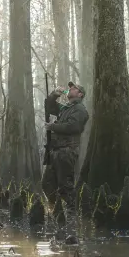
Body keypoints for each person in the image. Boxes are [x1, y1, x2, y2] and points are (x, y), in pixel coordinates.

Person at [41, 81, 89, 211]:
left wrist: (53, 127)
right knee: (47, 184)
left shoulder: (80, 110)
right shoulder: (66, 108)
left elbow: (74, 127)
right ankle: (55, 211)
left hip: (67, 151)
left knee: (65, 187)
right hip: (55, 151)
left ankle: (73, 215)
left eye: (74, 88)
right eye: (70, 88)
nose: (70, 89)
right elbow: (49, 107)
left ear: (80, 94)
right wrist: (54, 95)